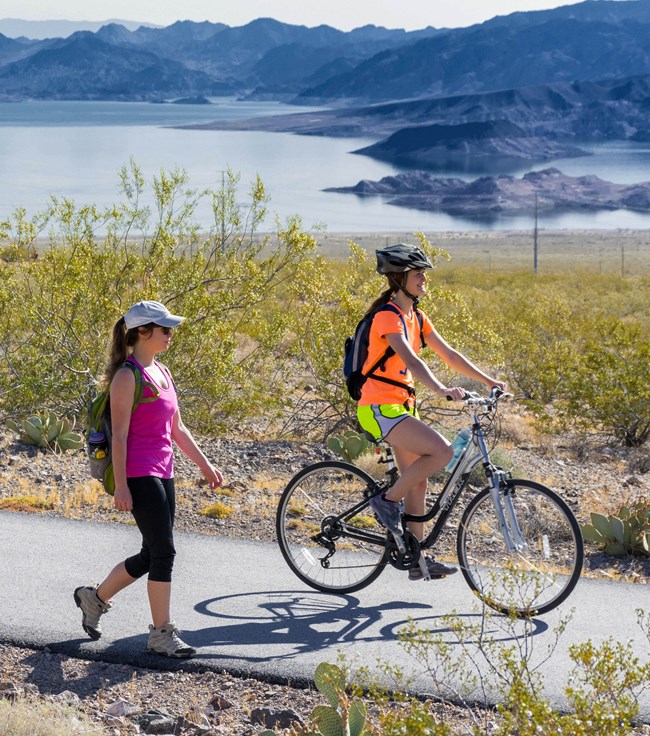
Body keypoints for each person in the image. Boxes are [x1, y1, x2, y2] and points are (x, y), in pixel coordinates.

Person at [74, 300, 223, 658]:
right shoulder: (127, 376)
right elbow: (121, 436)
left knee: (151, 551)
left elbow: (177, 428)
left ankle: (93, 599)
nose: (171, 335)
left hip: (164, 468)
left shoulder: (163, 371)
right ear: (143, 332)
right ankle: (161, 634)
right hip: (138, 471)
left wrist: (205, 465)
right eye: (165, 329)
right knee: (165, 552)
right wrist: (122, 485)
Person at [358, 243, 506, 581]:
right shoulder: (386, 317)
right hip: (378, 407)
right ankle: (386, 501)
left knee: (420, 483)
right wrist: (441, 389)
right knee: (441, 451)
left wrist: (488, 380)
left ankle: (416, 559)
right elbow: (412, 360)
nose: (424, 278)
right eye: (417, 273)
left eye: (423, 272)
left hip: (400, 407)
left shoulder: (416, 316)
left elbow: (449, 354)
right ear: (399, 279)